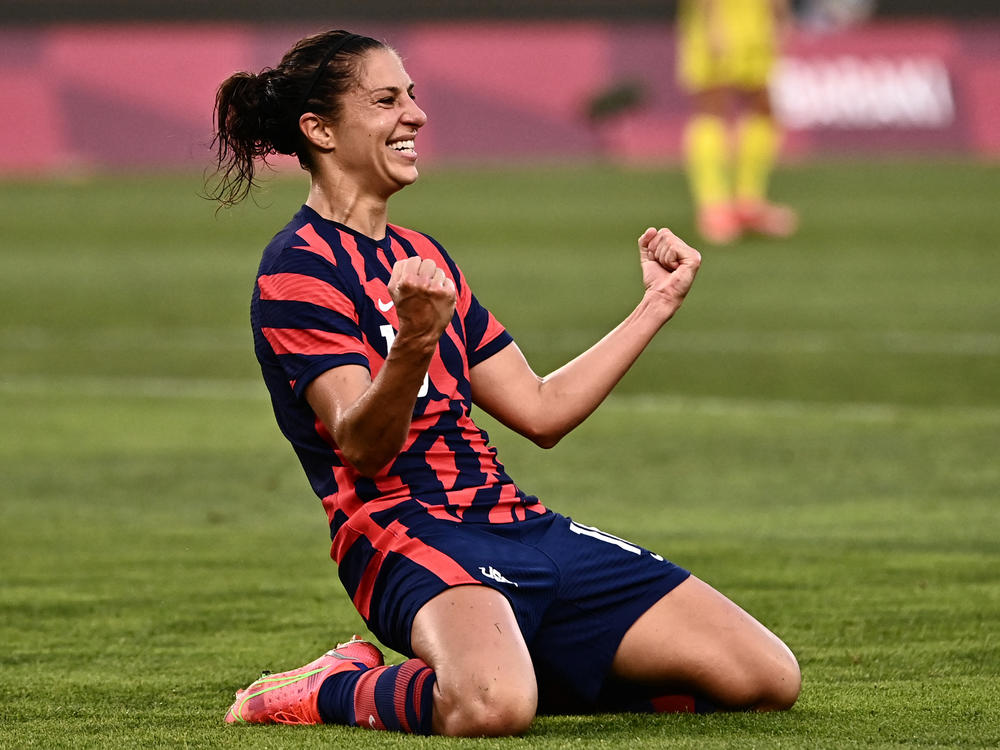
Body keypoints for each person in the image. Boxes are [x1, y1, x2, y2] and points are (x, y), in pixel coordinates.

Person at [209, 29, 800, 737]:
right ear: (320, 129)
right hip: (404, 530)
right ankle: (337, 685)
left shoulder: (422, 254)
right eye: (387, 100)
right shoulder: (297, 269)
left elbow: (541, 410)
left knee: (766, 678)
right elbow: (360, 447)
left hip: (513, 521)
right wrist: (417, 343)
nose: (416, 117)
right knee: (492, 706)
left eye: (415, 97)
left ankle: (503, 659)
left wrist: (656, 305)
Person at [676, 0, 799, 244]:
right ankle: (714, 207)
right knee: (712, 106)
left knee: (763, 107)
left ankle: (748, 203)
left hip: (756, 20)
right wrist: (713, 24)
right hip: (717, 18)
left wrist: (780, 14)